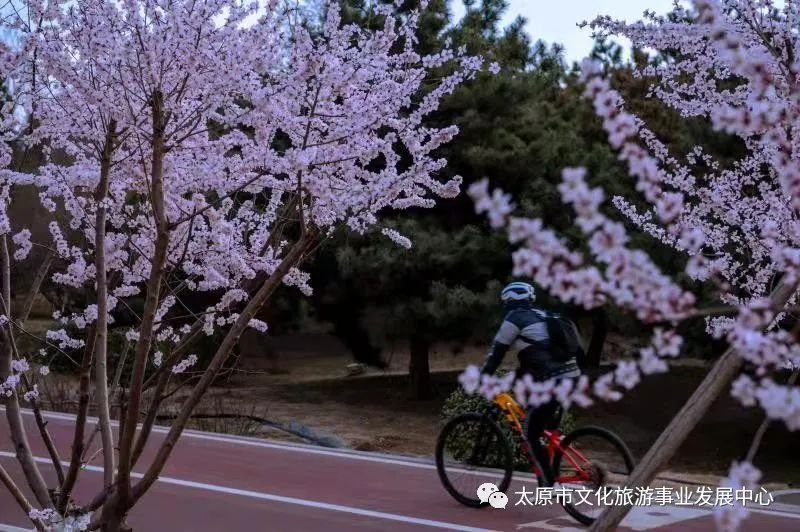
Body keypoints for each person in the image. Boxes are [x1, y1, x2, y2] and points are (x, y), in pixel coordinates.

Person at [480, 281, 582, 484]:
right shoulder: (543, 315)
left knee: (530, 433)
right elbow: (535, 356)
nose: (504, 306)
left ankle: (549, 484)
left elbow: (497, 352)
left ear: (510, 300)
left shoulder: (515, 318)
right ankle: (554, 448)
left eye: (505, 302)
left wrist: (484, 377)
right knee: (540, 419)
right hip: (572, 376)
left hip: (552, 380)